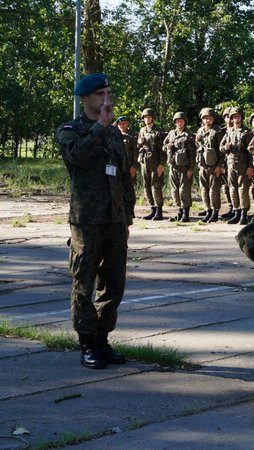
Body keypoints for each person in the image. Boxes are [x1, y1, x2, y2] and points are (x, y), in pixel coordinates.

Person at [56, 73, 134, 369]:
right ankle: (87, 342)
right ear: (84, 99)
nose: (107, 100)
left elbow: (125, 176)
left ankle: (102, 338)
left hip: (114, 220)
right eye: (101, 94)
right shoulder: (70, 131)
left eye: (109, 94)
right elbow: (78, 158)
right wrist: (101, 125)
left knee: (114, 284)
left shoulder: (114, 134)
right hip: (86, 221)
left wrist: (127, 215)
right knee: (83, 282)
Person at [220, 107, 254, 225]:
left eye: (238, 116)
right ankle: (236, 212)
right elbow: (221, 147)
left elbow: (251, 151)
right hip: (230, 164)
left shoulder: (247, 132)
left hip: (243, 165)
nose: (236, 119)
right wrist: (225, 148)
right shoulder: (229, 132)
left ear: (242, 118)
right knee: (232, 188)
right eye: (234, 117)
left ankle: (244, 214)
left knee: (243, 189)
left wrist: (250, 167)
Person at [164, 112, 196, 222]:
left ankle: (185, 212)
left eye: (181, 121)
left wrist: (191, 169)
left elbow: (192, 154)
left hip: (184, 166)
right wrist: (167, 147)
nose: (179, 122)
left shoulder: (189, 135)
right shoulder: (171, 133)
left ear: (184, 122)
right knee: (174, 189)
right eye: (177, 121)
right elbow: (164, 146)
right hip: (173, 165)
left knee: (184, 190)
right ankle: (179, 211)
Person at [195, 107, 224, 222]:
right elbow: (197, 147)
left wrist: (219, 166)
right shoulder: (200, 131)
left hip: (213, 165)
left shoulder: (217, 131)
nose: (207, 120)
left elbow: (221, 150)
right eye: (205, 118)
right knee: (204, 189)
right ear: (202, 120)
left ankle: (215, 211)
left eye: (210, 118)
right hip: (202, 164)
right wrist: (197, 140)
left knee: (214, 189)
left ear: (213, 119)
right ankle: (208, 211)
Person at [137, 108, 166, 220]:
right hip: (145, 162)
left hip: (155, 162)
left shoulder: (158, 132)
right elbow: (139, 145)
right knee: (147, 186)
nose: (146, 119)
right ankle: (152, 209)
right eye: (145, 117)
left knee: (156, 186)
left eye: (148, 117)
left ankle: (159, 211)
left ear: (153, 118)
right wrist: (140, 143)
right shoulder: (142, 130)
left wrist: (161, 165)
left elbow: (162, 150)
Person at [115, 115, 139, 188]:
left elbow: (136, 152)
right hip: (118, 166)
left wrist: (134, 166)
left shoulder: (133, 135)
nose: (121, 125)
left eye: (123, 123)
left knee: (130, 189)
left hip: (129, 167)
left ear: (127, 123)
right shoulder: (115, 135)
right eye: (119, 124)